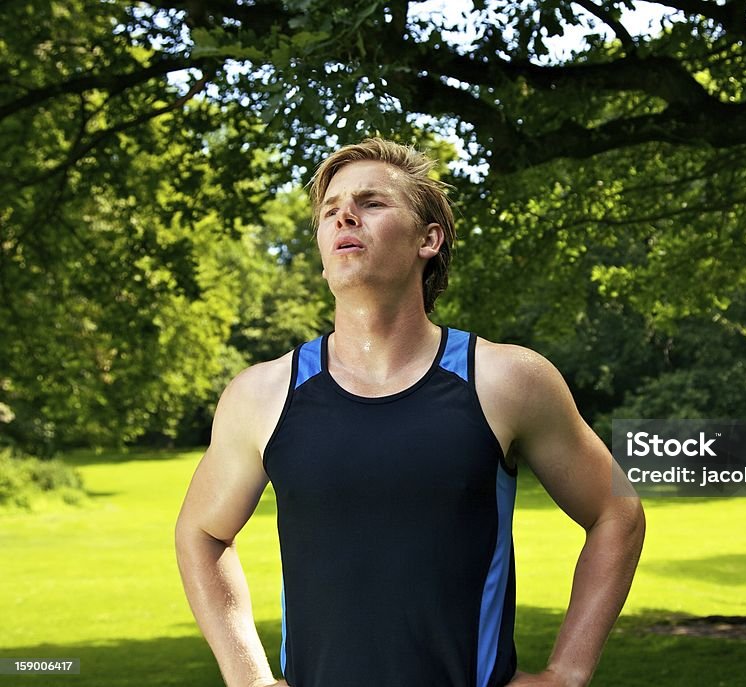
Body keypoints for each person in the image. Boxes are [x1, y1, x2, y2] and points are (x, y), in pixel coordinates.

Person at [175, 137, 645, 687]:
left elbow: (618, 512)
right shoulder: (262, 394)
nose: (344, 215)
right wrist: (247, 678)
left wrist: (567, 673)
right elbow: (201, 533)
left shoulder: (506, 379)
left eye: (372, 203)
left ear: (429, 239)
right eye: (331, 211)